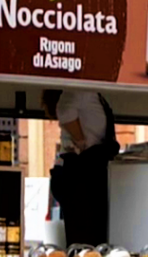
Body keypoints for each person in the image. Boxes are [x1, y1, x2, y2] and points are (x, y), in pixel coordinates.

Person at [43, 89, 120, 247]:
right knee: (86, 233)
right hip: (81, 170)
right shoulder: (80, 91)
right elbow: (64, 111)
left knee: (92, 231)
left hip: (86, 169)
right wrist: (80, 140)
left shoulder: (91, 93)